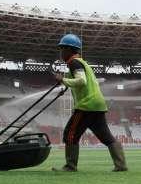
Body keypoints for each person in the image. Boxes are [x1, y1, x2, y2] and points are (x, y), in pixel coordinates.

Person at [52, 33, 128, 172]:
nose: (61, 52)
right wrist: (66, 85)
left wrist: (62, 80)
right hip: (98, 105)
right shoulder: (83, 63)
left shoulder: (74, 62)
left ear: (70, 50)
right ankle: (121, 165)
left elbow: (81, 81)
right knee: (106, 137)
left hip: (86, 106)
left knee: (70, 134)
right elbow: (80, 82)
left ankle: (70, 166)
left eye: (63, 49)